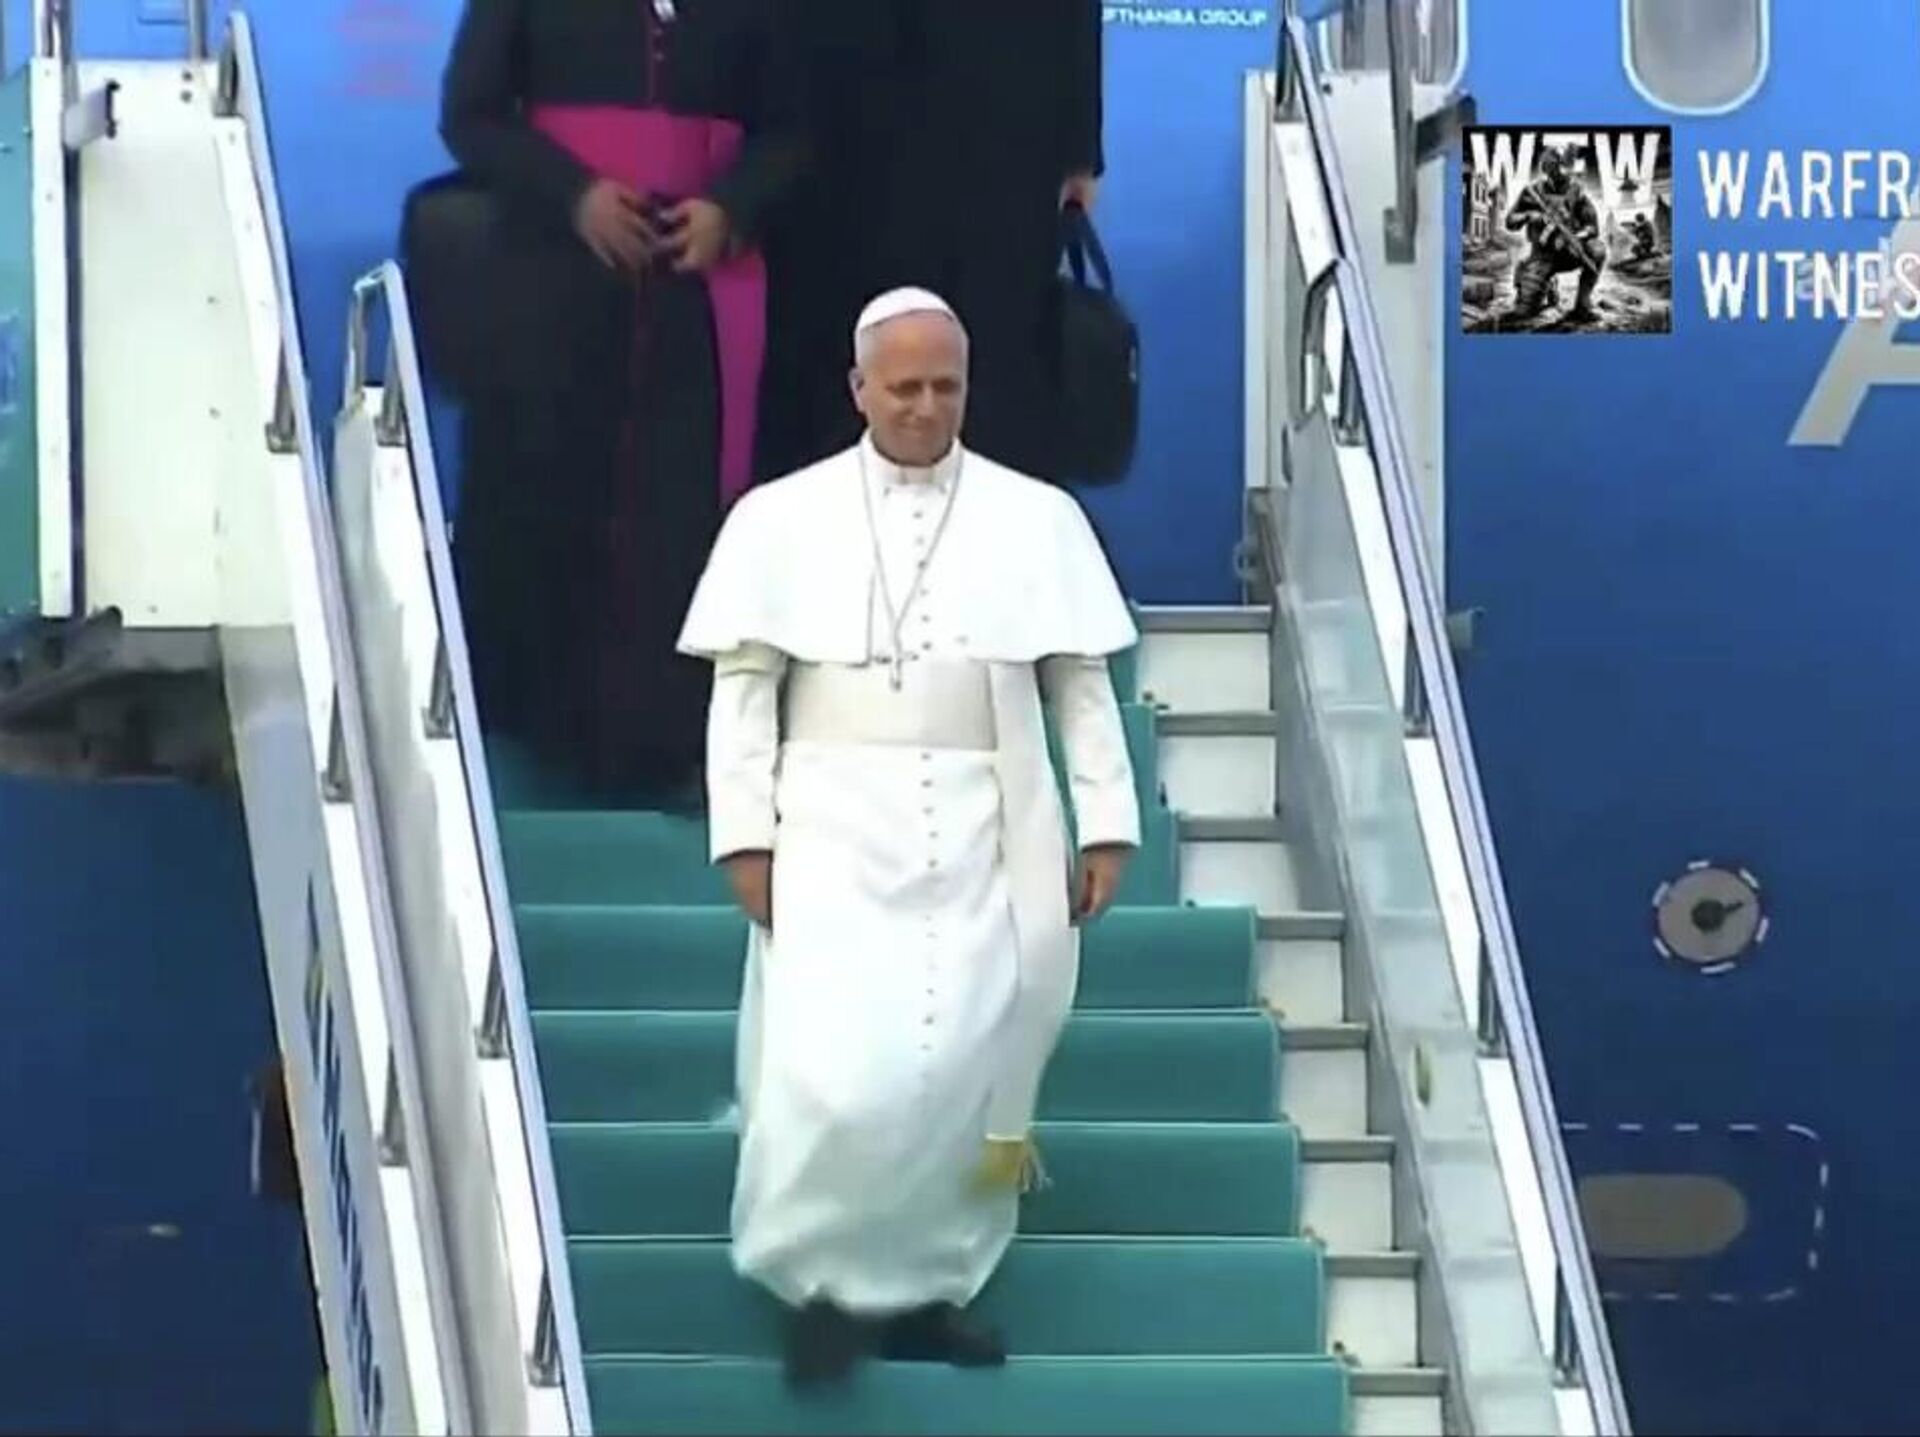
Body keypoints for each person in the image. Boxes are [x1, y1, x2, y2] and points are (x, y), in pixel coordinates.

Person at [677, 287, 1141, 1387]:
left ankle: (933, 1290)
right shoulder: (780, 519)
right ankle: (818, 1289)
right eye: (904, 388)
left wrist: (1107, 825)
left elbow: (1080, 685)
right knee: (832, 1073)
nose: (927, 408)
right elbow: (743, 692)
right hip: (833, 825)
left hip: (987, 826)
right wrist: (745, 839)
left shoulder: (1037, 518)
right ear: (859, 390)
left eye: (946, 387)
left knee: (957, 1074)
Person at [435, 0, 806, 806]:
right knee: (549, 494)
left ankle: (667, 748)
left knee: (680, 512)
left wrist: (731, 207)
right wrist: (576, 196)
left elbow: (796, 128)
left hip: (695, 290)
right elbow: (471, 118)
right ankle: (536, 738)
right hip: (555, 279)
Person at [756, 1, 1105, 484]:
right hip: (842, 109)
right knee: (839, 338)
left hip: (1006, 113)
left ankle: (1000, 516)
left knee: (1000, 346)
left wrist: (1081, 147)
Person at [1502, 146, 1605, 323]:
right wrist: (1529, 215)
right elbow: (1510, 221)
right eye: (1549, 166)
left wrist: (1576, 237)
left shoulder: (1576, 193)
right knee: (1524, 312)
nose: (1554, 171)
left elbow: (1592, 227)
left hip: (1569, 251)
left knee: (1597, 250)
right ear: (1544, 168)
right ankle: (1548, 285)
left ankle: (1582, 305)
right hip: (1541, 254)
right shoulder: (1532, 192)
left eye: (1557, 165)